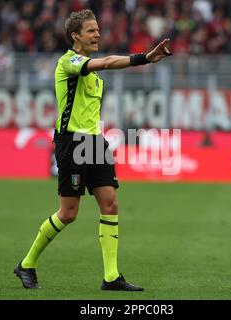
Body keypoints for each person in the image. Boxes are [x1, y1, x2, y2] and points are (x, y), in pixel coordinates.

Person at [14, 9, 172, 291]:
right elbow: (109, 62)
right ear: (76, 36)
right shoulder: (68, 62)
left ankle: (111, 277)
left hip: (95, 142)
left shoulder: (94, 74)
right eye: (90, 30)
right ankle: (27, 264)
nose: (97, 34)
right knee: (68, 213)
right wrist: (143, 58)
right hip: (71, 142)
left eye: (97, 29)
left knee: (110, 204)